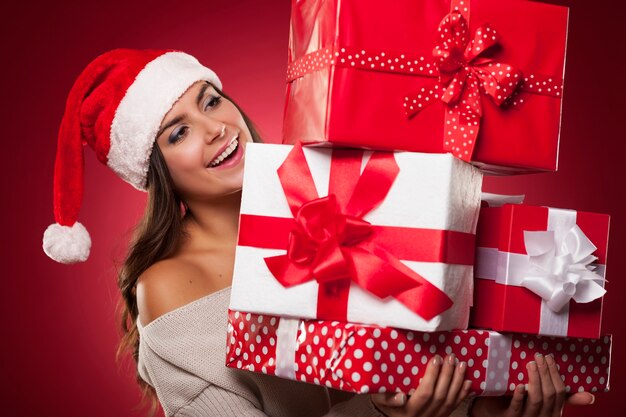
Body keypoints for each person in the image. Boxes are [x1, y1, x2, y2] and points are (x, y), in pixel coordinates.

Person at [42, 49, 595, 417]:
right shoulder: (168, 286)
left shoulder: (340, 195)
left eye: (211, 100)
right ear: (154, 168)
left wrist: (490, 403)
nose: (215, 129)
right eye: (179, 132)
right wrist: (379, 412)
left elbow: (433, 349)